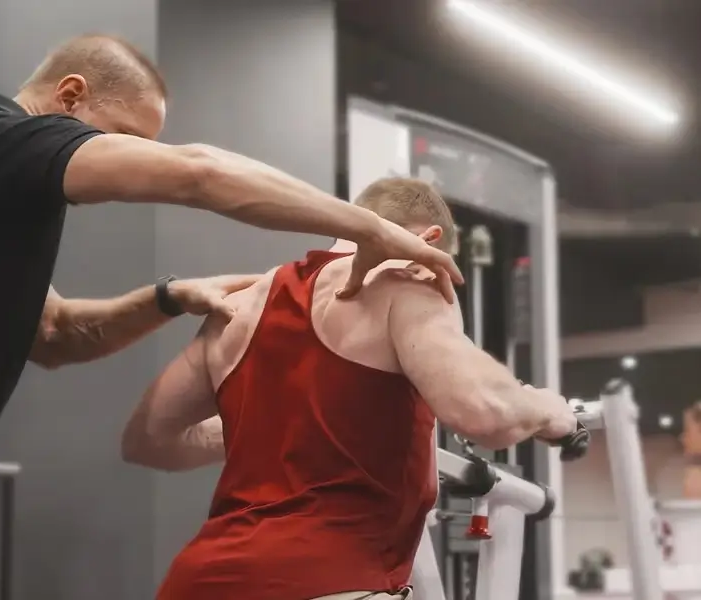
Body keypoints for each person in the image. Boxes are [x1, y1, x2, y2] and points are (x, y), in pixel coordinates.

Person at [0, 33, 465, 600]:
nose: (133, 159)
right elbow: (197, 173)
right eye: (124, 139)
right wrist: (368, 227)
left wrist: (170, 297)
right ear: (68, 98)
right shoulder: (5, 145)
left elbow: (55, 335)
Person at [121, 177, 577, 600]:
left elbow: (146, 440)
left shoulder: (239, 305)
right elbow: (485, 412)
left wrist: (273, 428)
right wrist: (550, 411)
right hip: (329, 580)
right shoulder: (408, 275)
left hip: (198, 581)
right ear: (430, 243)